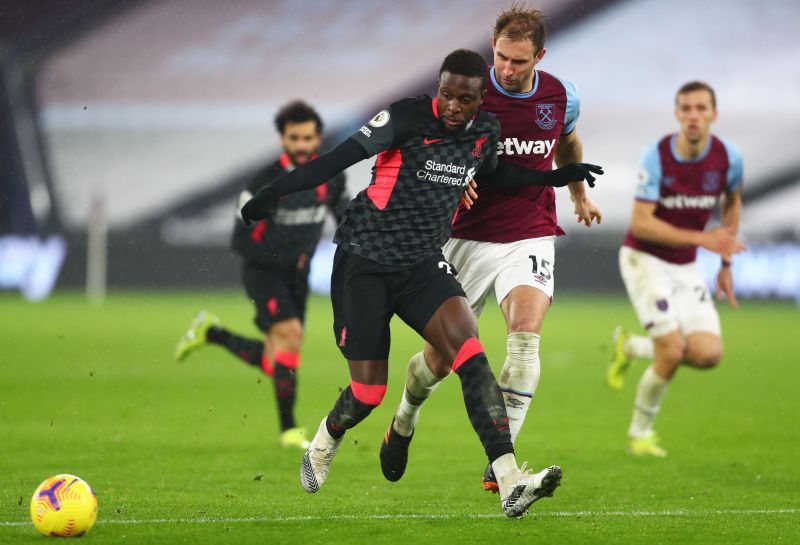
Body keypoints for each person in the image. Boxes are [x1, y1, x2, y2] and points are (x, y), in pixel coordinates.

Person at [241, 49, 602, 517]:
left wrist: (556, 176)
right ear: (439, 89)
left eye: (465, 99)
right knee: (369, 393)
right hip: (364, 263)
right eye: (447, 94)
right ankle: (328, 436)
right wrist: (274, 192)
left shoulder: (484, 132)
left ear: (479, 100)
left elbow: (497, 171)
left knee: (471, 356)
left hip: (420, 265)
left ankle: (511, 480)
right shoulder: (406, 117)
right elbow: (336, 159)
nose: (453, 106)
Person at [380, 5, 602, 494]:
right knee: (438, 362)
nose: (505, 69)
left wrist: (577, 192)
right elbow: (431, 150)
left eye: (518, 62)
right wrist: (454, 180)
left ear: (539, 56)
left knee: (524, 339)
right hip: (464, 236)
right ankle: (403, 418)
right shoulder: (470, 96)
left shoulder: (562, 97)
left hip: (529, 229)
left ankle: (501, 470)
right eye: (500, 57)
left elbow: (566, 141)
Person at [174, 100, 349, 450]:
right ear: (282, 139)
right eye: (294, 138)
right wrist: (283, 258)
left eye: (308, 138)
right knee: (291, 334)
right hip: (264, 273)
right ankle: (289, 430)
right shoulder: (266, 181)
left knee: (278, 359)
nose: (301, 145)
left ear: (318, 139)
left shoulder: (330, 177)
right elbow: (240, 239)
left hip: (298, 276)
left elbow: (344, 215)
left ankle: (212, 332)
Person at [606, 81, 745, 457]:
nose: (693, 116)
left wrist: (726, 261)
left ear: (713, 114)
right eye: (686, 108)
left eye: (701, 108)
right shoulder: (658, 156)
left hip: (685, 266)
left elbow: (733, 201)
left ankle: (631, 346)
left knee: (707, 354)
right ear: (677, 114)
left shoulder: (729, 158)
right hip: (644, 258)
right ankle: (640, 435)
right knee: (670, 351)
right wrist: (701, 240)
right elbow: (640, 223)